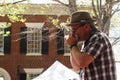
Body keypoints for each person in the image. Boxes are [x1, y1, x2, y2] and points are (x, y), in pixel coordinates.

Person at [65, 11, 116, 80]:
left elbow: (82, 62)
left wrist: (72, 45)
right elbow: (76, 67)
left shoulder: (98, 38)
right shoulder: (87, 43)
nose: (73, 33)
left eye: (74, 29)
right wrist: (73, 46)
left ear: (86, 26)